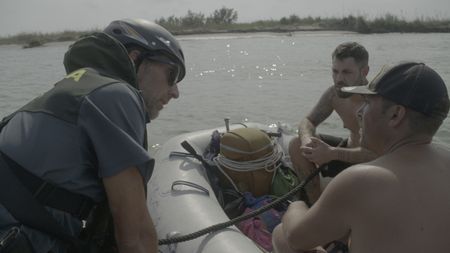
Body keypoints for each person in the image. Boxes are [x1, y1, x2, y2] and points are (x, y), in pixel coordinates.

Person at [0, 18, 185, 253]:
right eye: (172, 74)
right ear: (134, 59)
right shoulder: (116, 94)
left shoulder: (70, 90)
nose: (175, 92)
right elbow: (135, 237)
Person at [273, 61, 450, 253]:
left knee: (282, 234)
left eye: (367, 103)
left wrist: (296, 207)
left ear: (395, 115)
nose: (358, 112)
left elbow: (296, 239)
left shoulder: (361, 181)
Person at [289, 42, 377, 203]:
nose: (338, 79)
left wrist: (331, 153)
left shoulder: (376, 103)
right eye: (335, 71)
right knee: (296, 144)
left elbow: (377, 154)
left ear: (364, 71)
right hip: (345, 153)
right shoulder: (334, 95)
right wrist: (308, 141)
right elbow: (307, 121)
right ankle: (315, 205)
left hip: (370, 166)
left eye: (346, 72)